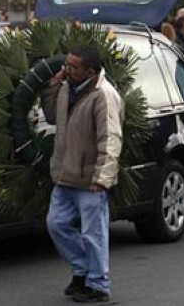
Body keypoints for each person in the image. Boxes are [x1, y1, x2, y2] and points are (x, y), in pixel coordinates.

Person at [42, 45, 124, 303]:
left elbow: (110, 138)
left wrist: (103, 177)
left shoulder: (104, 95)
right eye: (67, 64)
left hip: (90, 179)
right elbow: (54, 117)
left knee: (93, 233)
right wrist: (53, 87)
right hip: (65, 174)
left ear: (90, 71)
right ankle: (82, 270)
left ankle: (98, 284)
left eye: (73, 66)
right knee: (56, 224)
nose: (67, 69)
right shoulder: (67, 88)